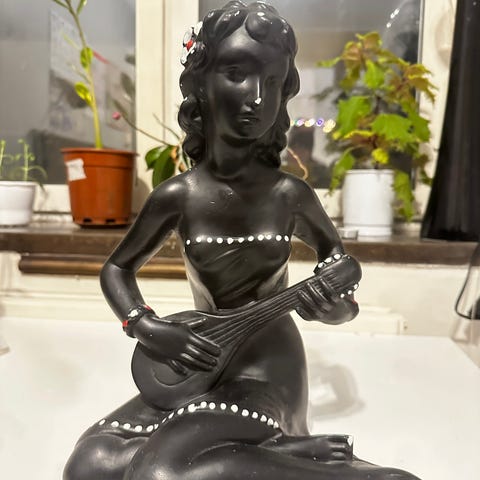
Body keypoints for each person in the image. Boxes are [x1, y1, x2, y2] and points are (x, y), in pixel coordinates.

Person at [64, 2, 420, 479]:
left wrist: (331, 308)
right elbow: (117, 268)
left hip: (267, 372)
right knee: (91, 463)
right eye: (237, 73)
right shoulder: (178, 196)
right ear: (201, 84)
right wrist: (146, 327)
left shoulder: (290, 195)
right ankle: (289, 454)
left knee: (160, 471)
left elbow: (343, 295)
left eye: (272, 81)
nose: (256, 96)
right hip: (199, 362)